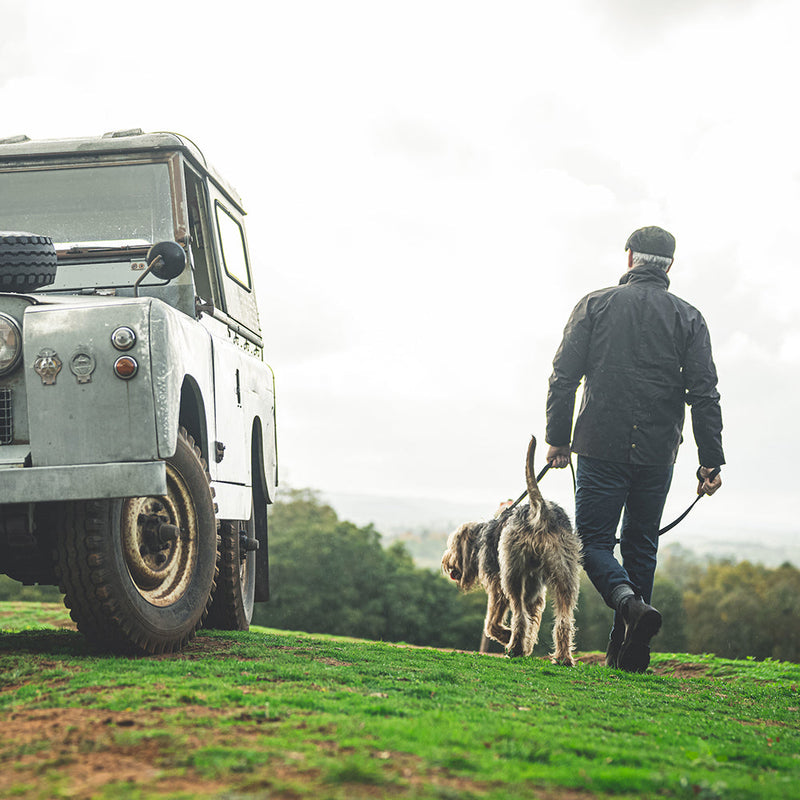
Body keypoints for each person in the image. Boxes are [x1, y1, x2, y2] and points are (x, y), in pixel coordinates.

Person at [544, 226, 724, 672]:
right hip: (658, 451)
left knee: (590, 541)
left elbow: (563, 376)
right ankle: (627, 652)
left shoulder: (595, 304)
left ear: (629, 259)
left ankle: (627, 604)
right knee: (642, 546)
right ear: (670, 266)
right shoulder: (690, 318)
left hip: (599, 446)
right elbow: (704, 394)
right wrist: (710, 462)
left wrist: (557, 440)